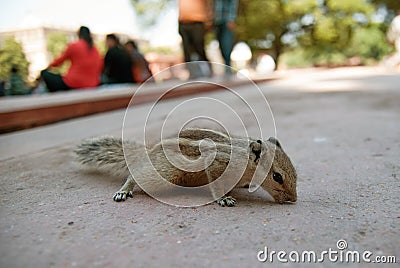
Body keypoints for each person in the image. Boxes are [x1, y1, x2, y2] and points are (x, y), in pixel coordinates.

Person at [41, 26, 102, 92]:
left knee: (45, 74)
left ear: (79, 35)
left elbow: (59, 61)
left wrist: (48, 67)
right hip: (93, 84)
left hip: (73, 83)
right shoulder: (96, 50)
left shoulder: (74, 46)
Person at [178, 0, 212, 78]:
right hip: (183, 22)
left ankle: (207, 69)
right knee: (187, 50)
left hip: (198, 21)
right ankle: (191, 72)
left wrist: (209, 21)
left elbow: (208, 4)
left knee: (199, 46)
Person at [213, 0, 238, 76]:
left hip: (226, 20)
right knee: (220, 44)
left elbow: (233, 3)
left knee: (226, 44)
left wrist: (231, 19)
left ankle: (228, 67)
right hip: (217, 21)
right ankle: (226, 65)